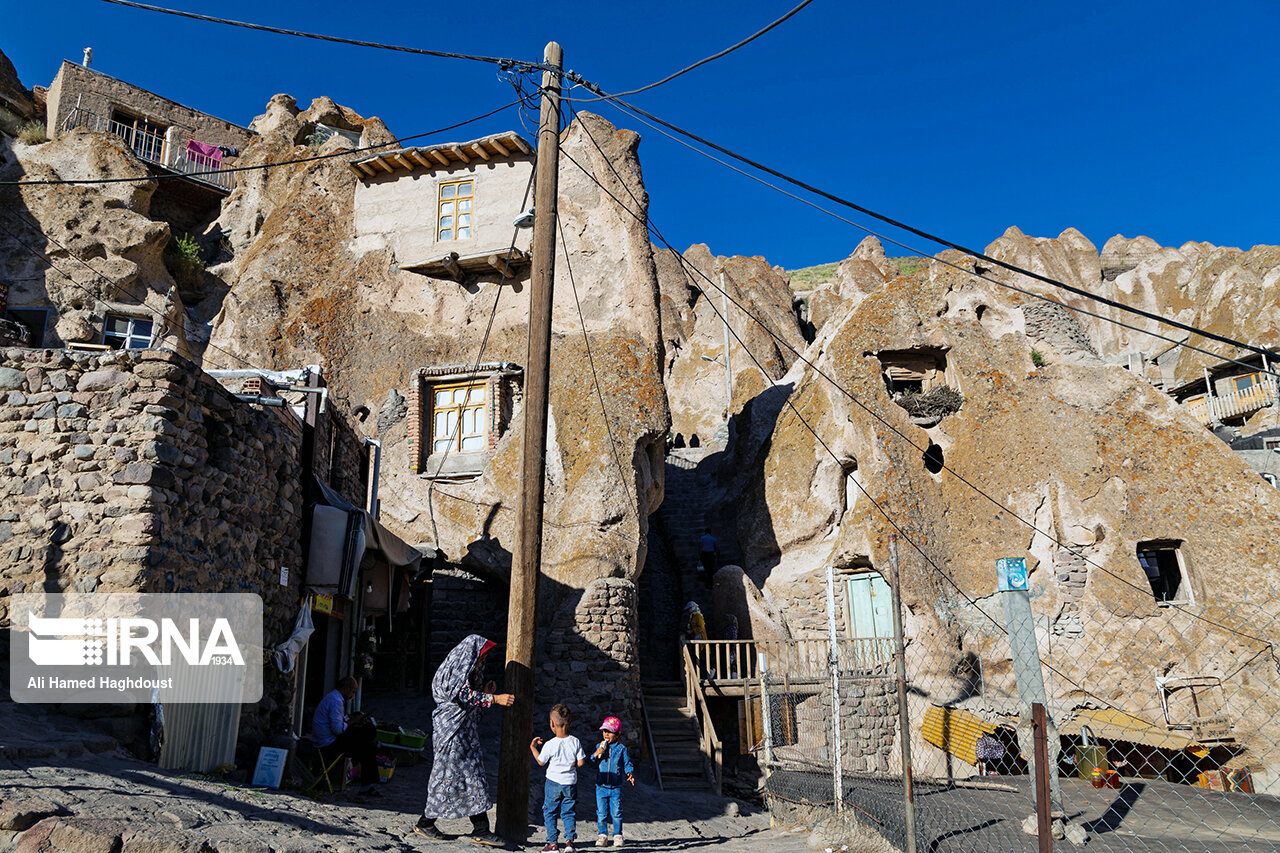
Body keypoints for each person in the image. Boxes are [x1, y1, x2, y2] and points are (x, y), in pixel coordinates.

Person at [414, 635, 514, 846]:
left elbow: (470, 703)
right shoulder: (455, 677)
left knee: (455, 779)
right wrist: (494, 699)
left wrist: (484, 693)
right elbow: (462, 696)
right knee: (465, 778)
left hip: (462, 736)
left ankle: (427, 822)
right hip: (453, 734)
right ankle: (480, 829)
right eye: (480, 657)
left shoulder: (464, 676)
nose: (481, 662)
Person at [312, 675, 379, 796]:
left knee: (367, 740)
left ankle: (365, 781)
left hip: (329, 739)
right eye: (352, 691)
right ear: (346, 688)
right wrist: (353, 721)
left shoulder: (334, 698)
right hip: (328, 744)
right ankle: (367, 785)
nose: (353, 695)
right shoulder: (335, 701)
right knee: (368, 738)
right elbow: (338, 729)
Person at [531, 703, 586, 852]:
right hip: (570, 784)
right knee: (568, 812)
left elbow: (541, 762)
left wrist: (533, 748)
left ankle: (553, 844)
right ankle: (569, 842)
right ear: (570, 723)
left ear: (552, 723)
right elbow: (581, 762)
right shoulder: (575, 741)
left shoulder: (550, 744)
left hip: (553, 783)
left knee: (550, 811)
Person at [589, 716, 635, 848]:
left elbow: (627, 763)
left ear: (618, 734)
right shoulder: (599, 746)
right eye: (604, 731)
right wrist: (597, 753)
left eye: (610, 732)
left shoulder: (621, 749)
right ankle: (602, 835)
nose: (606, 734)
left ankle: (617, 835)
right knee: (602, 813)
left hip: (615, 787)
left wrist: (629, 772)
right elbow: (592, 761)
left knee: (616, 812)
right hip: (601, 787)